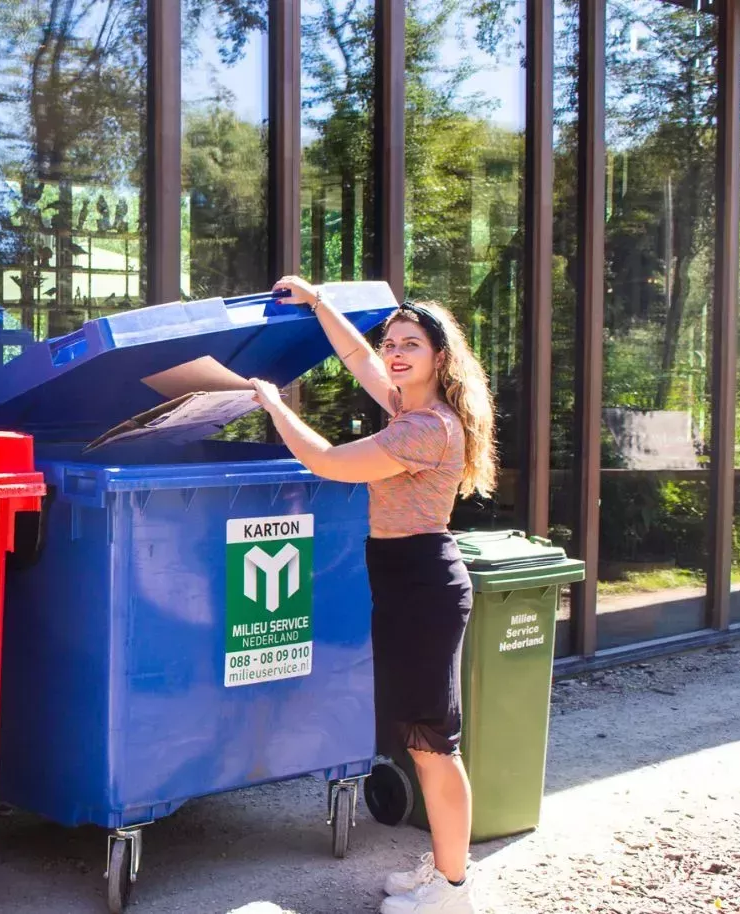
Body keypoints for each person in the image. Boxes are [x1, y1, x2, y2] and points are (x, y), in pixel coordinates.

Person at [249, 276, 497, 914]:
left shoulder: (427, 429)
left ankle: (454, 891)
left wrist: (274, 405)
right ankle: (446, 871)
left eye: (410, 344)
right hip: (406, 581)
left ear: (439, 357)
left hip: (422, 585)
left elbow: (329, 461)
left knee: (434, 746)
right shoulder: (408, 409)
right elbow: (357, 357)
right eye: (392, 343)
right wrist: (318, 303)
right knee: (421, 739)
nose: (394, 352)